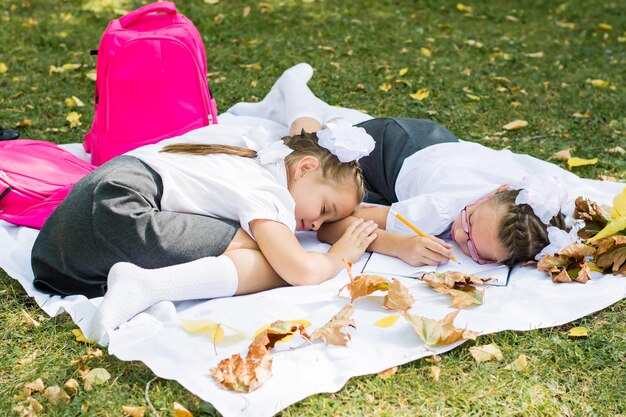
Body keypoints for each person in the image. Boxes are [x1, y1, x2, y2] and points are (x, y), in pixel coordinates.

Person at [31, 68, 380, 342]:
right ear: (306, 168)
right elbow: (301, 271)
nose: (316, 225)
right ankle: (146, 285)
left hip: (61, 242)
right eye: (324, 210)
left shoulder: (262, 149)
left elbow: (306, 133)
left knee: (270, 250)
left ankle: (142, 283)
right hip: (119, 212)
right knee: (273, 263)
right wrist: (338, 257)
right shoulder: (267, 192)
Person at [228, 63, 573, 267]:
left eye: (475, 251)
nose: (458, 236)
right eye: (468, 222)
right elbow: (337, 224)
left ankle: (305, 109)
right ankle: (295, 91)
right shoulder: (436, 210)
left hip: (436, 141)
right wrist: (399, 245)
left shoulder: (528, 198)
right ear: (494, 193)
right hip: (390, 147)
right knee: (308, 147)